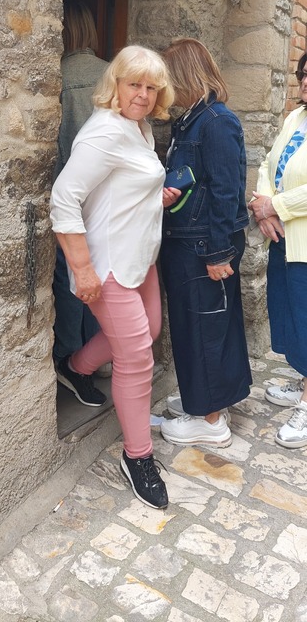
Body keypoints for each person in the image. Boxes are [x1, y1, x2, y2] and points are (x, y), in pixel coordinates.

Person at [50, 45, 179, 509]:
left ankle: (76, 367)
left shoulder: (138, 127)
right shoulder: (104, 131)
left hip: (139, 257)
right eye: (134, 84)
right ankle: (137, 456)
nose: (143, 94)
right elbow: (64, 198)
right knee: (137, 357)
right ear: (116, 85)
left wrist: (153, 196)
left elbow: (118, 186)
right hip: (108, 265)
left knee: (150, 331)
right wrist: (82, 268)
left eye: (151, 87)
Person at [159, 37, 252, 447]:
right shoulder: (193, 120)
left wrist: (217, 252)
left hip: (202, 247)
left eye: (167, 79)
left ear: (184, 76)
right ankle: (208, 399)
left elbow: (226, 191)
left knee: (203, 327)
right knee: (204, 323)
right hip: (193, 242)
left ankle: (209, 420)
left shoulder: (215, 121)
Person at [248, 51, 307, 449]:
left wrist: (277, 206)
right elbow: (269, 163)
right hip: (284, 238)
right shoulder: (295, 117)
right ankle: (303, 380)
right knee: (291, 314)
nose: (305, 82)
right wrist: (262, 206)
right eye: (304, 74)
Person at [52, 2, 109, 402]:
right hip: (108, 197)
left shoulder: (57, 77)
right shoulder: (114, 76)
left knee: (70, 274)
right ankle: (98, 354)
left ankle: (70, 356)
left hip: (69, 192)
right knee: (103, 272)